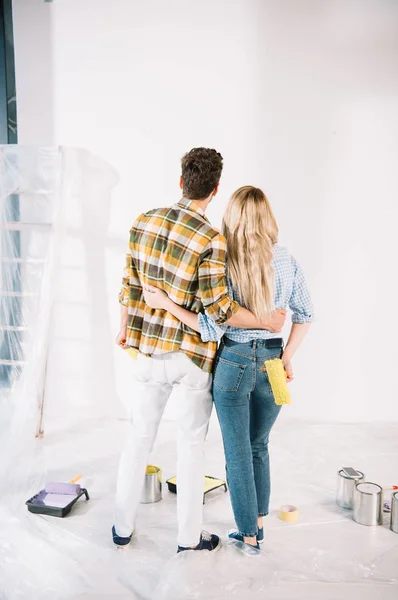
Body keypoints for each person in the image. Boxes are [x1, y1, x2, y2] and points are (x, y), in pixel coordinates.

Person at [114, 150, 286, 554]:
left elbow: (128, 282)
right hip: (192, 358)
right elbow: (221, 310)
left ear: (180, 182)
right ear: (215, 189)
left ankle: (122, 529)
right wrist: (267, 320)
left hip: (149, 353)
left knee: (138, 436)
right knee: (191, 446)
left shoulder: (143, 221)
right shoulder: (211, 239)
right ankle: (189, 538)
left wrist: (124, 325)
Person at [143, 185, 314, 557]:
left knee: (237, 453)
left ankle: (248, 536)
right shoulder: (286, 260)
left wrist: (167, 304)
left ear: (232, 217)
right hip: (273, 364)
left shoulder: (223, 261)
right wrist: (286, 356)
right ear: (267, 216)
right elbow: (305, 316)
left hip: (233, 362)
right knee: (259, 446)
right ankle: (259, 526)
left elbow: (209, 326)